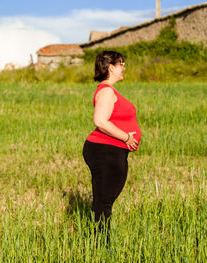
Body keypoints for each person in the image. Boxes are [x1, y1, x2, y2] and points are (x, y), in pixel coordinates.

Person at [83, 50, 141, 238]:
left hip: (110, 151)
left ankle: (98, 241)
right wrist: (126, 137)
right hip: (105, 150)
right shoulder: (107, 91)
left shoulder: (109, 90)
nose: (124, 68)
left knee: (103, 200)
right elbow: (100, 121)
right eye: (121, 64)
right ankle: (101, 245)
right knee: (103, 202)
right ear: (110, 68)